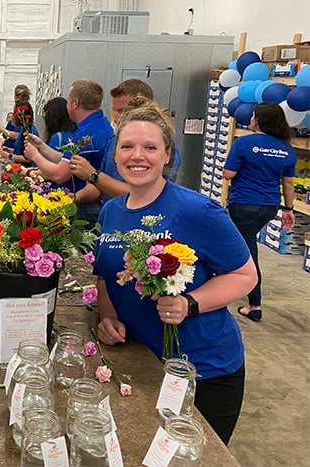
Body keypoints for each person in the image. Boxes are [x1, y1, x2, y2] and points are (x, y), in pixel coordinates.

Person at [93, 100, 257, 445]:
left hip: (204, 369)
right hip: (145, 361)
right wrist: (107, 315)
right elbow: (103, 274)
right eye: (128, 146)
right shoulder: (110, 212)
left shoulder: (198, 211)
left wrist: (190, 304)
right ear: (116, 154)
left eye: (150, 147)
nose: (138, 155)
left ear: (167, 155)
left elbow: (245, 275)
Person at [223, 102, 296, 322]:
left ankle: (254, 304)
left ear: (258, 120)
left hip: (244, 205)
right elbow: (289, 183)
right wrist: (289, 209)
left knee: (248, 252)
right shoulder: (286, 149)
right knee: (241, 245)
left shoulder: (244, 143)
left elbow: (228, 173)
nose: (251, 118)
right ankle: (231, 285)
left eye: (254, 116)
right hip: (269, 206)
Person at [70, 79, 182, 206]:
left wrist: (93, 175)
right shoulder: (114, 141)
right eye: (114, 111)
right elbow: (99, 187)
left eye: (122, 111)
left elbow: (144, 195)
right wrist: (73, 199)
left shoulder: (163, 148)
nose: (116, 118)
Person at [24, 79, 113, 225]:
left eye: (68, 101)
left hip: (84, 205)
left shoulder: (86, 134)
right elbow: (69, 161)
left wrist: (35, 156)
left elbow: (60, 175)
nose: (67, 106)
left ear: (75, 103)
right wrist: (41, 147)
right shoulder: (100, 124)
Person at [25, 96, 76, 189]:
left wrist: (27, 172)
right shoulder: (74, 134)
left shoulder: (57, 138)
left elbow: (51, 171)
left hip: (58, 189)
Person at [7, 100, 40, 166]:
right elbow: (22, 150)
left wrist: (9, 155)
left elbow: (28, 159)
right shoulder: (23, 129)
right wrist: (10, 150)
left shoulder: (29, 131)